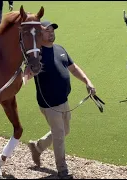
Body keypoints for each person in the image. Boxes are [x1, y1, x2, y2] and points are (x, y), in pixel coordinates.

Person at [27, 21, 97, 179]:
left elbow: (73, 68)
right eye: (47, 31)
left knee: (65, 131)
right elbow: (27, 73)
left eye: (52, 30)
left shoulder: (60, 49)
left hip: (63, 101)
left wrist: (87, 81)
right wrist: (28, 72)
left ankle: (37, 147)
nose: (50, 33)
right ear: (40, 35)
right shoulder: (37, 55)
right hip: (49, 104)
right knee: (59, 136)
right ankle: (62, 170)